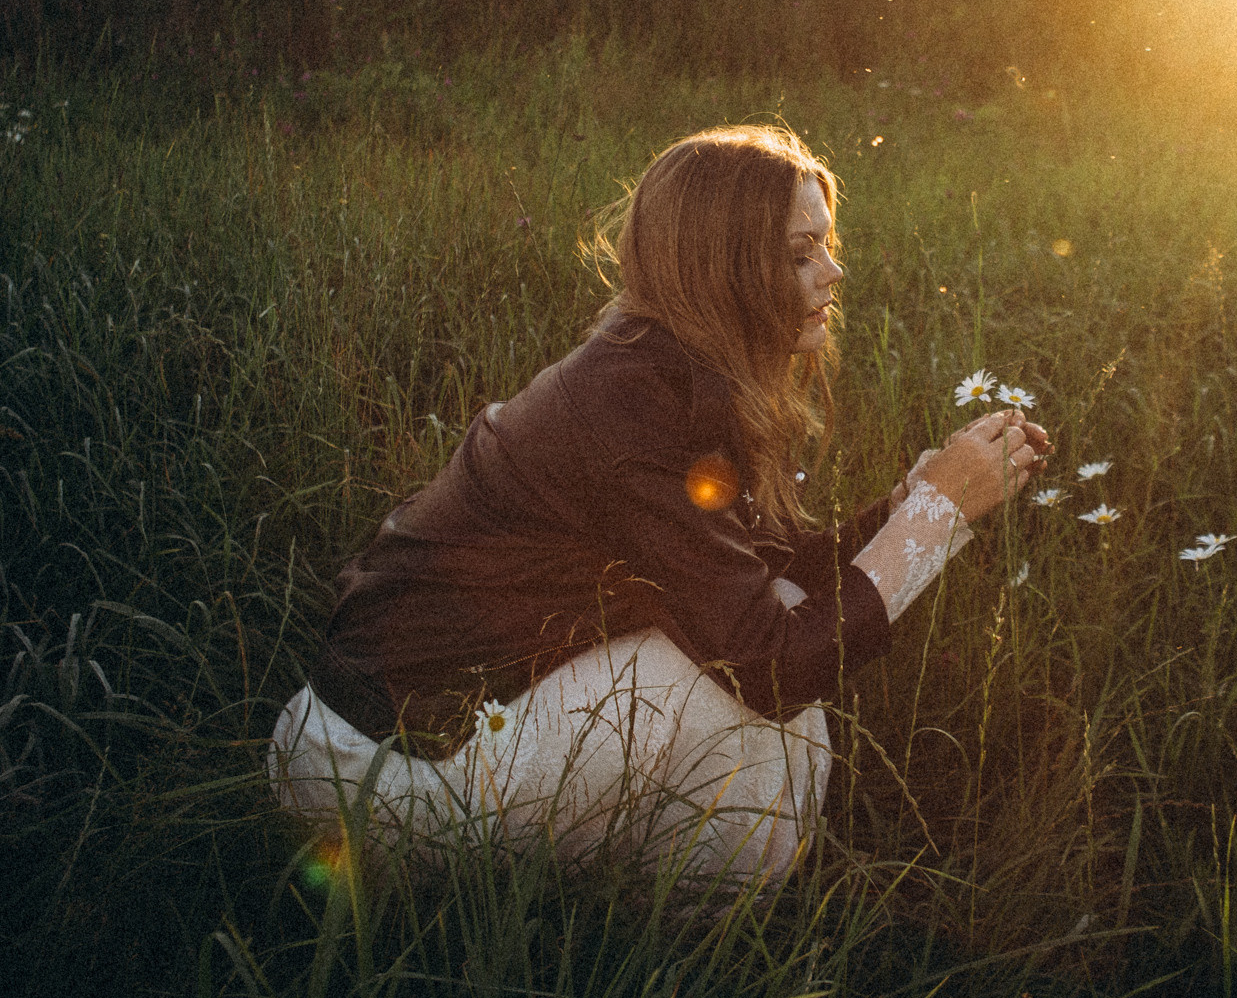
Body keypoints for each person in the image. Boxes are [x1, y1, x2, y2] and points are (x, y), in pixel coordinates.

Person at [267, 125, 1047, 884]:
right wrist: (935, 514)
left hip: (412, 740)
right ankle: (689, 946)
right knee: (770, 714)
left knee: (770, 664)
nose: (833, 272)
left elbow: (765, 576)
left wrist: (917, 501)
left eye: (827, 244)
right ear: (724, 267)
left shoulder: (662, 369)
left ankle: (673, 920)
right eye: (801, 253)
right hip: (370, 777)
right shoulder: (636, 404)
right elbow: (772, 664)